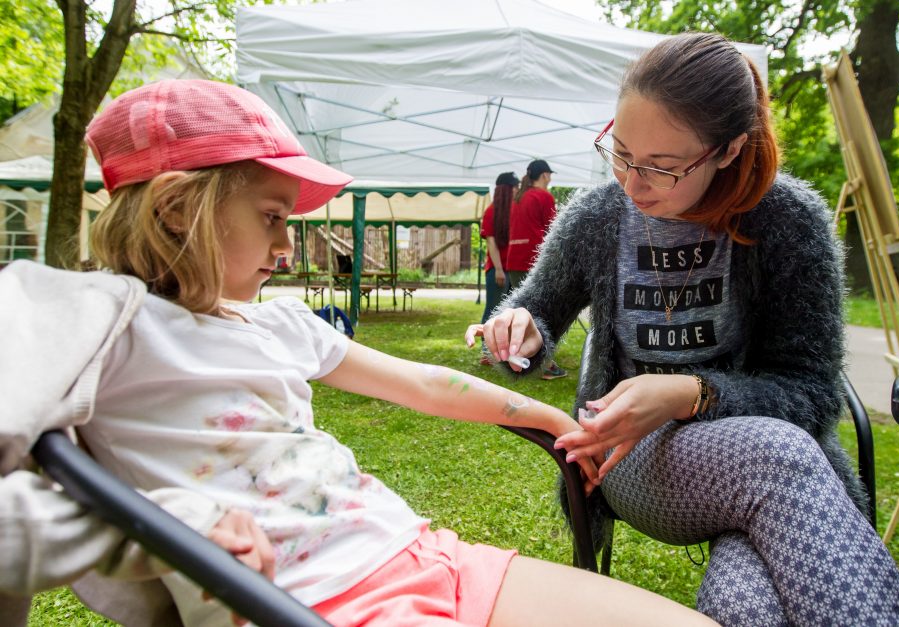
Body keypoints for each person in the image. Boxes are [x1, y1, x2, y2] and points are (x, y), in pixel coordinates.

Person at [0, 79, 716, 627]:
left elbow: (429, 385)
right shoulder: (84, 316)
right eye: (274, 217)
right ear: (176, 208)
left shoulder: (278, 322)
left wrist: (550, 417)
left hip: (421, 553)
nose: (286, 247)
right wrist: (161, 524)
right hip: (307, 602)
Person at [467, 33, 899, 625]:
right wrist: (521, 328)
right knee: (780, 456)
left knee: (746, 606)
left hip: (763, 466)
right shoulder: (599, 216)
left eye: (662, 167)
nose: (633, 183)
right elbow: (540, 307)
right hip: (630, 458)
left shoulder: (789, 222)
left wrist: (692, 395)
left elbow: (812, 398)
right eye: (621, 151)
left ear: (730, 150)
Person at [504, 159, 566, 380]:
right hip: (534, 260)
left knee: (520, 311)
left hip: (514, 259)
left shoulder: (518, 198)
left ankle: (514, 356)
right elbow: (554, 232)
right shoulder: (544, 197)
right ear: (545, 175)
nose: (550, 179)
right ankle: (545, 364)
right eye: (549, 175)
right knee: (542, 312)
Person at [479, 172, 517, 363]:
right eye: (515, 186)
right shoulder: (491, 212)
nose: (518, 189)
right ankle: (486, 351)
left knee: (509, 312)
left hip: (511, 268)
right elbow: (491, 244)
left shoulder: (515, 210)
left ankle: (504, 351)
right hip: (498, 269)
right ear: (507, 189)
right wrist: (500, 269)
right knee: (493, 310)